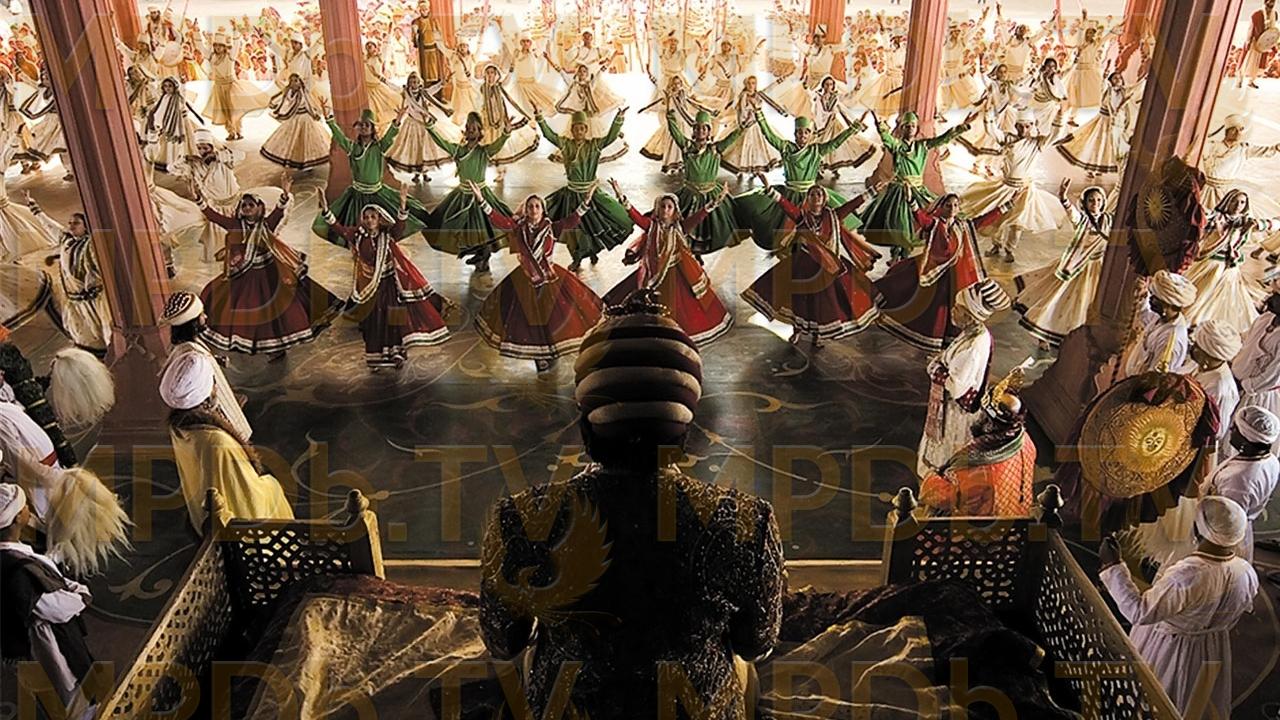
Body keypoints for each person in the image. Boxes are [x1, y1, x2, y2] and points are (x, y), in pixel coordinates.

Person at [479, 289, 783, 720]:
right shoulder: (746, 522)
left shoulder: (522, 518)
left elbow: (503, 642)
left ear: (585, 421)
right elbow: (755, 643)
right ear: (685, 426)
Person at [1100, 496, 1258, 719]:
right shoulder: (1246, 572)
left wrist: (1113, 566)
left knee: (1160, 694)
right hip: (1211, 646)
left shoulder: (1188, 575)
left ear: (1198, 528)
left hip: (1169, 647)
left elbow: (1139, 612)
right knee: (1196, 701)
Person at [191, 174, 338, 359]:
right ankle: (255, 343)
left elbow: (278, 212)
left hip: (269, 274)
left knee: (276, 310)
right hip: (244, 276)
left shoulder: (266, 224)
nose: (247, 208)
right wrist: (198, 198)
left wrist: (285, 194)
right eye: (244, 205)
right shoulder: (235, 225)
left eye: (251, 205)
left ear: (259, 208)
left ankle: (276, 348)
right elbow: (213, 216)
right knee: (240, 307)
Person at [472, 184, 603, 373]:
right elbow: (499, 221)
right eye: (530, 206)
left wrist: (587, 200)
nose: (534, 209)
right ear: (526, 210)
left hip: (550, 277)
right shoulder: (519, 228)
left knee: (553, 317)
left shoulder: (552, 227)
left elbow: (573, 219)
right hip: (525, 278)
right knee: (528, 319)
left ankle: (552, 349)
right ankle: (539, 355)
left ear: (543, 210)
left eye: (537, 206)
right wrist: (481, 199)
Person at [318, 188, 454, 370]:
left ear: (379, 219)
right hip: (370, 288)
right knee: (374, 322)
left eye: (373, 217)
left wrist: (403, 204)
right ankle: (375, 358)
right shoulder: (357, 235)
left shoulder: (387, 235)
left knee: (395, 317)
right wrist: (326, 208)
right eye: (366, 217)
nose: (369, 220)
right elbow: (338, 228)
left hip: (390, 285)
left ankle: (398, 353)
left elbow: (400, 226)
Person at [162, 350, 294, 533]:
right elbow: (247, 497)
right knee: (273, 488)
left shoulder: (180, 427)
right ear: (206, 390)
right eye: (212, 382)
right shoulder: (218, 442)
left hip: (203, 512)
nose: (216, 387)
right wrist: (270, 486)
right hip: (235, 526)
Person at [741, 186, 881, 346]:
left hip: (828, 266)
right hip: (805, 264)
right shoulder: (801, 217)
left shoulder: (834, 215)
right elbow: (784, 204)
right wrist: (768, 188)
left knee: (822, 303)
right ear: (808, 199)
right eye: (813, 194)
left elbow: (852, 205)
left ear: (825, 198)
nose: (816, 197)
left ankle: (818, 334)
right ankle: (797, 331)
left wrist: (872, 191)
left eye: (820, 194)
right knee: (800, 301)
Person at [0, 486, 98, 717]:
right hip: (47, 643)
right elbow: (57, 609)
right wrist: (81, 593)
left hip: (25, 638)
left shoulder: (11, 556)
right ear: (17, 518)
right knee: (71, 693)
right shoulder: (18, 571)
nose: (28, 508)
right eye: (24, 506)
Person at [603, 180, 734, 346]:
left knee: (681, 305)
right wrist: (619, 193)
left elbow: (700, 215)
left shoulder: (680, 227)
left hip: (676, 270)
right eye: (663, 206)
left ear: (675, 211)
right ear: (657, 209)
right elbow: (634, 215)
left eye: (669, 207)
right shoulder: (651, 226)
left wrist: (716, 201)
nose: (665, 210)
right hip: (652, 272)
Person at [876, 193, 1009, 352]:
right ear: (941, 207)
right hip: (933, 270)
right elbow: (921, 217)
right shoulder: (935, 224)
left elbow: (984, 220)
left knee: (948, 306)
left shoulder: (962, 226)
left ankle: (945, 337)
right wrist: (911, 201)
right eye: (948, 205)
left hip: (952, 274)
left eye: (955, 205)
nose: (952, 209)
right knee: (912, 294)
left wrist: (1007, 205)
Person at [733, 112, 865, 250]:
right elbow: (769, 135)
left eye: (806, 132)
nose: (803, 135)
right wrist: (759, 114)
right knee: (768, 217)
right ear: (795, 134)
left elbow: (836, 143)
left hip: (811, 195)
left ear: (810, 135)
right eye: (799, 132)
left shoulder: (816, 150)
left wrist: (853, 128)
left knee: (830, 223)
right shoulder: (786, 148)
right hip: (790, 193)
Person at [919, 365, 1037, 517]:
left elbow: (946, 497)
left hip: (985, 528)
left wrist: (931, 477)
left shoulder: (979, 470)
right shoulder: (1027, 442)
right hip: (1018, 516)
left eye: (983, 415)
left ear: (989, 424)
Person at [857, 110, 977, 257]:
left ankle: (922, 249)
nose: (910, 129)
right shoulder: (897, 145)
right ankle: (898, 255)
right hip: (899, 191)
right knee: (900, 224)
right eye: (907, 126)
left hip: (918, 190)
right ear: (901, 129)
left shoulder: (922, 146)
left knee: (929, 216)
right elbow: (886, 138)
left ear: (917, 129)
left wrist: (961, 127)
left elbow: (943, 139)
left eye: (913, 126)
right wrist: (880, 125)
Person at [311, 105, 430, 246]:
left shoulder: (379, 147)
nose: (364, 127)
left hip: (377, 193)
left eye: (367, 125)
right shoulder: (352, 147)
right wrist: (330, 120)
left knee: (388, 222)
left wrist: (398, 119)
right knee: (355, 228)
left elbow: (391, 135)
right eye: (361, 125)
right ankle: (362, 247)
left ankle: (379, 246)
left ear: (373, 129)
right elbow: (339, 137)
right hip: (357, 195)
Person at [960, 108, 1066, 263]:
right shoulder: (1008, 139)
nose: (1024, 129)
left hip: (1025, 189)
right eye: (1020, 126)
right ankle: (997, 245)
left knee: (1018, 221)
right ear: (1015, 126)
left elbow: (1055, 135)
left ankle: (1010, 249)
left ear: (1033, 126)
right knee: (999, 217)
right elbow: (992, 131)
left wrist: (1060, 117)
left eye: (1028, 126)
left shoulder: (1036, 143)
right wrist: (989, 113)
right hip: (1006, 187)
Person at [1014, 182, 1111, 350]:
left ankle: (1076, 338)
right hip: (1075, 268)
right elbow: (1073, 214)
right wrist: (1064, 198)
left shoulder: (1108, 221)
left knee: (1085, 307)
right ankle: (1042, 333)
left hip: (1096, 270)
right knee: (1057, 301)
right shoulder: (1083, 221)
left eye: (1098, 200)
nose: (1095, 204)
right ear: (1085, 203)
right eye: (1091, 200)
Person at [535, 108, 633, 271]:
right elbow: (549, 135)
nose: (579, 132)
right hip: (572, 195)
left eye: (582, 128)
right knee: (574, 230)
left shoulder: (594, 145)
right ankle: (577, 257)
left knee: (593, 226)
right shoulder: (565, 144)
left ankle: (591, 251)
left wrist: (619, 118)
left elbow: (611, 137)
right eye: (575, 128)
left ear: (586, 130)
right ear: (571, 130)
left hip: (591, 194)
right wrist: (539, 117)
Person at [423, 111, 512, 273]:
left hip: (481, 194)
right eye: (469, 127)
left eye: (474, 128)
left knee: (484, 226)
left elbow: (497, 145)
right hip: (462, 195)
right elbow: (441, 142)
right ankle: (479, 253)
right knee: (461, 226)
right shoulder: (459, 151)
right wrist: (430, 126)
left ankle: (483, 254)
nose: (471, 130)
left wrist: (506, 133)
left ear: (480, 132)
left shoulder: (483, 152)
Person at [159, 292, 253, 442]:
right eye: (202, 314)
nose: (205, 317)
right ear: (193, 322)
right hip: (214, 415)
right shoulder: (195, 359)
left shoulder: (183, 347)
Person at [1183, 189, 1277, 335]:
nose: (1238, 205)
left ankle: (1201, 323)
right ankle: (1192, 319)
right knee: (1202, 293)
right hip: (1210, 263)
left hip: (1229, 268)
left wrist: (1257, 224)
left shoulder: (1245, 222)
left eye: (1242, 202)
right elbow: (1201, 215)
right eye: (1235, 201)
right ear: (1228, 201)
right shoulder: (1217, 217)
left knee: (1222, 298)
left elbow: (1272, 225)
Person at [25, 199, 112, 355]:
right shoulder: (65, 240)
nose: (71, 226)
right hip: (75, 300)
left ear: (86, 226)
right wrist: (35, 208)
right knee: (85, 335)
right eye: (70, 223)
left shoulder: (92, 245)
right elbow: (49, 225)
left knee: (103, 330)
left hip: (95, 300)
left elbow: (101, 267)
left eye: (76, 223)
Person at [1206, 406, 1280, 562]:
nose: (1230, 429)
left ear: (1246, 438)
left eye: (1235, 428)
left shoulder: (1238, 480)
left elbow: (1225, 522)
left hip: (1221, 538)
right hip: (1239, 527)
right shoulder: (1270, 459)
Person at [666, 109, 744, 256]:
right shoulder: (687, 147)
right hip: (689, 194)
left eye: (704, 128)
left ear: (709, 132)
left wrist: (743, 127)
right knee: (682, 227)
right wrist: (670, 118)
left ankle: (699, 255)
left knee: (713, 226)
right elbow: (675, 133)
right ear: (693, 131)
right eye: (697, 128)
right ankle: (690, 256)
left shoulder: (715, 149)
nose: (700, 131)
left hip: (711, 194)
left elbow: (731, 138)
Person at [1121, 270, 1196, 379]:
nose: (1151, 299)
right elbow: (1146, 317)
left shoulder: (1172, 339)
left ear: (1167, 304)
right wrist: (1143, 295)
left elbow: (1155, 377)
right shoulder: (1163, 317)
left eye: (1155, 298)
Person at [1189, 320, 1244, 466]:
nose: (1192, 348)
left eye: (1196, 346)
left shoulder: (1222, 387)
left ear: (1206, 354)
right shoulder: (1202, 366)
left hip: (1196, 448)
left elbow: (1217, 430)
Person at [1234, 279, 1280, 452]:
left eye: (1277, 296)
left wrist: (1245, 385)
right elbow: (1246, 343)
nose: (1270, 298)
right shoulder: (1265, 319)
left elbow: (1271, 376)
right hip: (1237, 383)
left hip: (1257, 396)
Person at [385, 72, 457, 183]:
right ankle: (416, 174)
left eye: (416, 82)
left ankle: (425, 173)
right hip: (411, 124)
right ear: (409, 83)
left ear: (419, 83)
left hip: (424, 124)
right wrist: (381, 78)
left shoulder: (425, 93)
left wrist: (445, 81)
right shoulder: (405, 92)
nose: (414, 84)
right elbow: (393, 87)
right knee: (414, 149)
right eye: (412, 82)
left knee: (425, 148)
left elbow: (436, 88)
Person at [200, 32, 269, 140]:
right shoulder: (212, 57)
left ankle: (238, 131)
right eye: (216, 46)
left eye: (220, 45)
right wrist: (197, 33)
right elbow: (200, 47)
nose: (218, 48)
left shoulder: (230, 56)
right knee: (225, 111)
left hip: (232, 85)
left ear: (224, 47)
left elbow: (236, 45)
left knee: (235, 109)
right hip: (219, 87)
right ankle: (231, 132)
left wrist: (236, 31)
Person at [719, 76, 785, 185]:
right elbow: (741, 111)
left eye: (753, 83)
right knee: (745, 148)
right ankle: (742, 169)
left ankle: (755, 169)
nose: (751, 85)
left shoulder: (758, 94)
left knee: (758, 147)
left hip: (758, 124)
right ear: (746, 84)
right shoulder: (744, 95)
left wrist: (779, 81)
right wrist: (744, 122)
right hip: (748, 124)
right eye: (749, 83)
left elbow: (768, 89)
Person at [259, 73, 332, 172]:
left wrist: (313, 114)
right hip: (295, 118)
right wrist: (277, 107)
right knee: (293, 141)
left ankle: (308, 162)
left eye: (296, 80)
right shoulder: (288, 92)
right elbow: (284, 102)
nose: (294, 83)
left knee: (307, 140)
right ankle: (296, 161)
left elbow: (308, 105)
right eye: (292, 81)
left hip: (305, 118)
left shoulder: (303, 92)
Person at [141, 76, 202, 173]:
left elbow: (183, 97)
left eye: (170, 86)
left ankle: (175, 161)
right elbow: (160, 110)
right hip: (166, 125)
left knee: (176, 145)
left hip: (177, 124)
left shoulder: (178, 98)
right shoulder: (164, 97)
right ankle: (165, 161)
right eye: (165, 86)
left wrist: (183, 84)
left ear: (175, 87)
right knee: (166, 145)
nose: (167, 88)